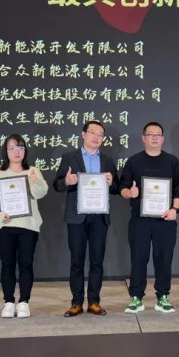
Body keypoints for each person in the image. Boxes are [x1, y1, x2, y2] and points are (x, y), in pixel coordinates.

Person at [53, 121, 119, 317]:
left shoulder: (107, 160)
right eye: (92, 133)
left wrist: (111, 183)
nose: (96, 137)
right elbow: (57, 184)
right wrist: (67, 181)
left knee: (97, 261)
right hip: (77, 217)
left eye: (100, 134)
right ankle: (76, 302)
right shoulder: (69, 157)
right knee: (77, 261)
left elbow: (116, 188)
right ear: (83, 134)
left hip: (99, 217)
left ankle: (94, 302)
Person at [119, 122, 179, 314]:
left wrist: (174, 209)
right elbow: (122, 188)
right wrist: (129, 193)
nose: (155, 138)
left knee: (164, 258)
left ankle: (163, 297)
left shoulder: (172, 161)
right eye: (150, 134)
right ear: (144, 138)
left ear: (163, 138)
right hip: (140, 220)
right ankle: (136, 297)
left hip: (165, 219)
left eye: (158, 135)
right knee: (138, 258)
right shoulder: (134, 161)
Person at [0, 134, 49, 318]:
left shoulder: (32, 170)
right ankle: (9, 302)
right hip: (5, 226)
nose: (16, 152)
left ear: (25, 150)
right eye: (12, 148)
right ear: (5, 151)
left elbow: (41, 193)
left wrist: (35, 181)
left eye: (20, 147)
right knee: (7, 264)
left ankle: (24, 302)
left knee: (26, 264)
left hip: (28, 226)